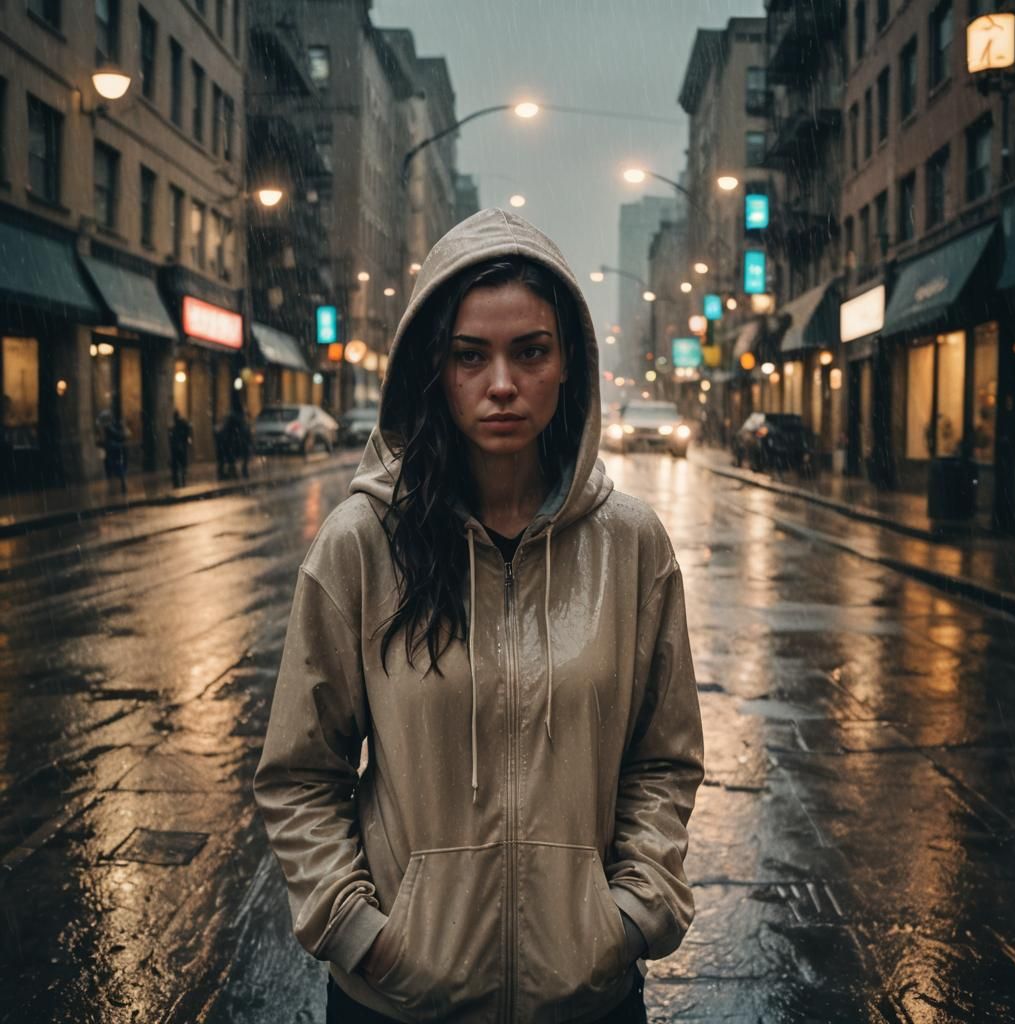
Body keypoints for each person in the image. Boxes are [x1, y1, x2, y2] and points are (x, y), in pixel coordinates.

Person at [253, 210, 704, 1023]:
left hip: (586, 999)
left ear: (568, 364)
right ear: (436, 369)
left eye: (530, 351)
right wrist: (360, 933)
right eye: (471, 355)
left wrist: (630, 917)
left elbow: (663, 758)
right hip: (395, 1000)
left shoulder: (631, 544)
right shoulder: (363, 543)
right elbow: (300, 773)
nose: (502, 383)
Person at [169, 409, 193, 488]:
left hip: (178, 448)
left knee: (178, 465)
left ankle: (179, 481)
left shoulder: (177, 425)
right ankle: (181, 480)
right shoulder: (180, 424)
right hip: (180, 447)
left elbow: (175, 437)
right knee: (181, 465)